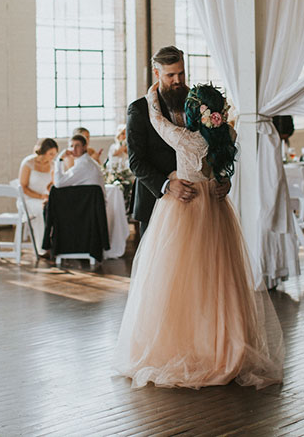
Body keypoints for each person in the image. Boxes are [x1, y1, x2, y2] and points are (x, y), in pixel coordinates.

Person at [113, 83, 284, 389]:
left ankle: (190, 346)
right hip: (217, 211)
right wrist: (224, 181)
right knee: (220, 279)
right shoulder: (227, 136)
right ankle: (222, 346)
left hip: (186, 209)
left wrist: (153, 94)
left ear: (196, 111)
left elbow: (157, 121)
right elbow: (224, 172)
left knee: (179, 281)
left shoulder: (184, 139)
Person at [126, 46, 230, 233]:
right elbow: (136, 162)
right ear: (157, 73)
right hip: (157, 202)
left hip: (201, 202)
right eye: (171, 75)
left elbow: (216, 144)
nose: (178, 80)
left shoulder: (201, 104)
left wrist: (224, 178)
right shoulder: (139, 110)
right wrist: (167, 185)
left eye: (181, 74)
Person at [18, 138, 58, 255]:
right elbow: (23, 187)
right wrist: (40, 196)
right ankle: (42, 247)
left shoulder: (53, 165)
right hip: (28, 199)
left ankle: (57, 245)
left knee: (56, 209)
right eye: (50, 154)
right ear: (43, 151)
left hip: (45, 198)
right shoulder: (28, 163)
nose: (53, 157)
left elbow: (52, 184)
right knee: (42, 211)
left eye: (54, 154)